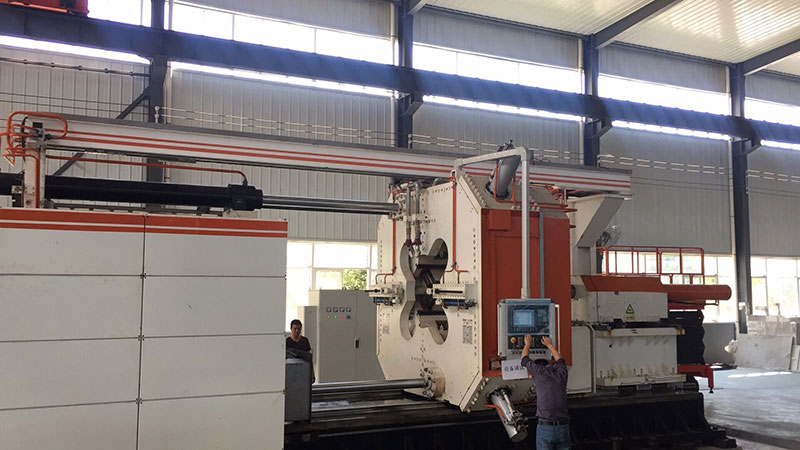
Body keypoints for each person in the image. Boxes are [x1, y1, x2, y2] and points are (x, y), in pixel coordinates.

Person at [521, 335, 570, 450]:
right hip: (563, 427)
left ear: (538, 366)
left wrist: (527, 344)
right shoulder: (562, 374)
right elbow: (560, 360)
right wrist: (549, 345)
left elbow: (524, 359)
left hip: (546, 427)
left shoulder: (539, 372)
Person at [286, 319, 315, 383]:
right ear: (291, 329)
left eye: (299, 329)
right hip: (291, 371)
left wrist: (312, 373)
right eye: (295, 329)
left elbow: (309, 358)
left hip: (304, 370)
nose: (297, 331)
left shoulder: (305, 341)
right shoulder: (287, 342)